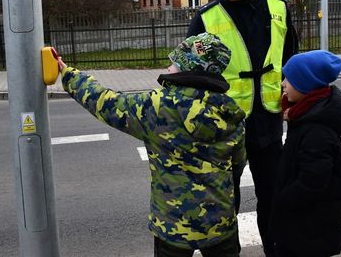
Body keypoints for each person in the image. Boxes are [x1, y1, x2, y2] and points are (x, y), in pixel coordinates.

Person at [57, 32, 246, 257]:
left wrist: (68, 74)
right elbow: (238, 165)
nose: (168, 67)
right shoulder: (231, 111)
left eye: (175, 62)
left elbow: (105, 102)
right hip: (220, 223)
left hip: (173, 226)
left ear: (189, 68)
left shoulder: (157, 106)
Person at [187, 0, 299, 256]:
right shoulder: (207, 19)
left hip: (268, 125)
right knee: (224, 205)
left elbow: (290, 58)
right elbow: (189, 73)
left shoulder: (279, 9)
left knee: (274, 200)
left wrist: (292, 97)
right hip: (226, 130)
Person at [269, 50, 341, 257]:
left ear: (305, 85)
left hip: (309, 230)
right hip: (305, 225)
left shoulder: (317, 130)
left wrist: (283, 200)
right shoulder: (305, 114)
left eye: (288, 79)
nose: (282, 84)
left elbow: (313, 182)